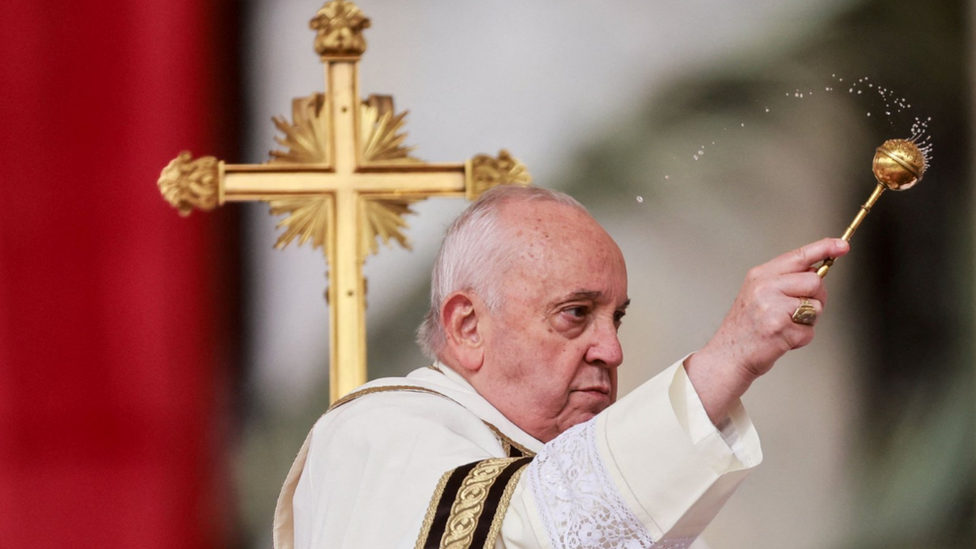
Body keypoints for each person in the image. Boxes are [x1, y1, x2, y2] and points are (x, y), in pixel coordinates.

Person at [272, 185, 850, 549]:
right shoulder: (378, 436)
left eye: (615, 319)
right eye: (575, 314)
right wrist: (730, 358)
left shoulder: (584, 482)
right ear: (468, 326)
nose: (612, 350)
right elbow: (527, 533)